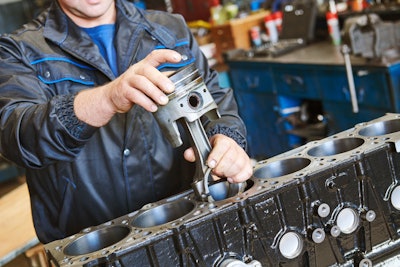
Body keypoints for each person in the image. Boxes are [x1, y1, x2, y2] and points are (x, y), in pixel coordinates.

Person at [0, 0, 253, 243]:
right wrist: (107, 98)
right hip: (94, 245)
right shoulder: (18, 51)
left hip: (191, 224)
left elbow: (216, 102)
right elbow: (19, 137)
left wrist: (226, 138)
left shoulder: (170, 30)